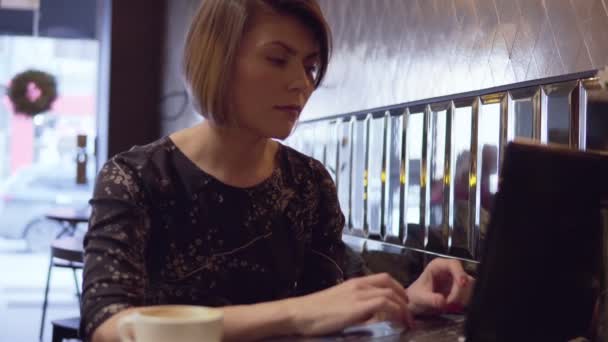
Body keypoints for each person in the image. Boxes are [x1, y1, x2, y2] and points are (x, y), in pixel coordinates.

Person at [81, 1, 475, 341]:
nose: (300, 83)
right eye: (277, 59)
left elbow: (331, 299)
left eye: (310, 66)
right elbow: (108, 325)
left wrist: (406, 297)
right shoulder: (137, 178)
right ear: (217, 58)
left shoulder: (307, 182)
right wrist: (294, 313)